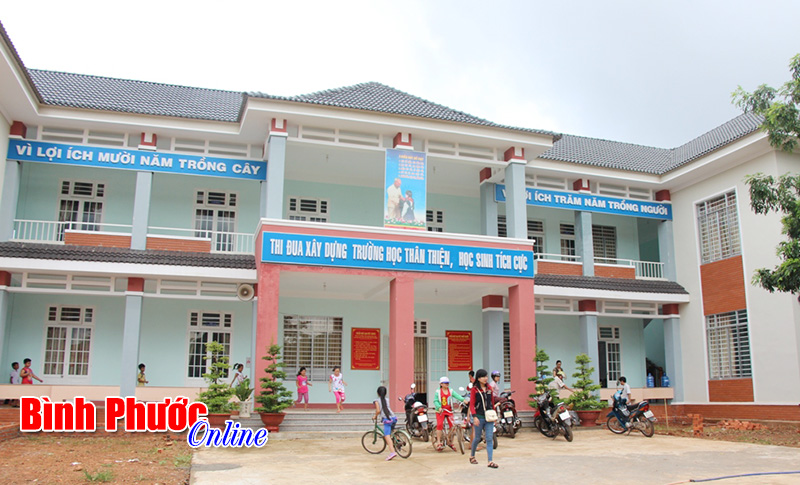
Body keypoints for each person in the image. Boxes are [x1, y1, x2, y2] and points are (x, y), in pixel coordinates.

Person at [469, 369, 498, 468]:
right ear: (478, 378)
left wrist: (495, 415)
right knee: (477, 438)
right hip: (479, 417)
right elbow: (472, 405)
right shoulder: (474, 390)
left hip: (489, 417)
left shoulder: (489, 388)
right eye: (483, 377)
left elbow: (492, 403)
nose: (485, 378)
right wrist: (474, 417)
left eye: (486, 376)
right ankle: (472, 456)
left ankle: (490, 461)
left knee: (489, 438)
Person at [433, 376, 465, 451]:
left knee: (452, 426)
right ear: (441, 384)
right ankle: (438, 442)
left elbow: (457, 396)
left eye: (448, 383)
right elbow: (435, 401)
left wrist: (463, 400)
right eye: (445, 383)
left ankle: (451, 442)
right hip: (441, 411)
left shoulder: (450, 391)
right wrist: (439, 407)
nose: (447, 384)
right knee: (440, 425)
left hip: (449, 410)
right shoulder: (438, 392)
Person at [373, 386, 398, 461]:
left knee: (387, 436)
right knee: (392, 430)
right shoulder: (387, 399)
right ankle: (397, 440)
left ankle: (392, 452)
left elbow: (378, 411)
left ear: (378, 393)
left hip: (387, 420)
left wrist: (375, 416)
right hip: (393, 417)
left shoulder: (376, 401)